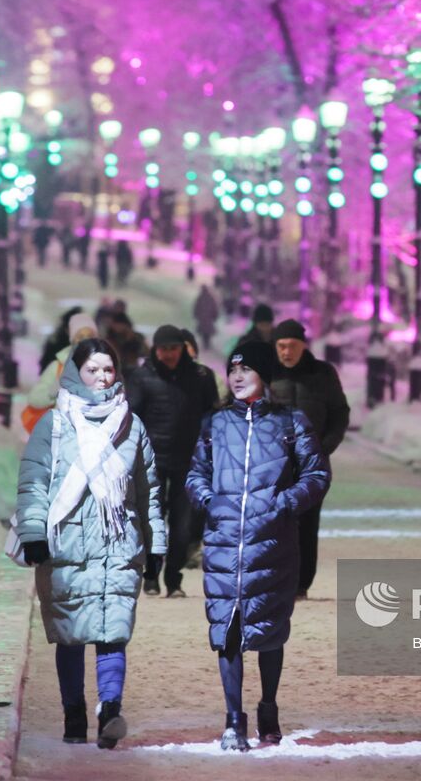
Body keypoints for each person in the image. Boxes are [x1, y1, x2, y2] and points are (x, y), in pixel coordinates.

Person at [14, 338, 165, 749]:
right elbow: (33, 482)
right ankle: (74, 714)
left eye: (108, 369)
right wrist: (32, 535)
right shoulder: (54, 424)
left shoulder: (130, 425)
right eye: (93, 369)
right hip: (67, 546)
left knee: (113, 631)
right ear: (74, 374)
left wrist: (156, 545)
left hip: (118, 541)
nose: (102, 377)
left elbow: (148, 490)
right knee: (71, 634)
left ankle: (110, 710)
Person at [185, 341, 331, 751]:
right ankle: (233, 719)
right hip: (224, 542)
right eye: (232, 370)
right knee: (227, 629)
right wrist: (209, 500)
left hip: (272, 543)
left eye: (246, 369)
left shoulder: (290, 422)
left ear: (263, 376)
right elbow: (195, 472)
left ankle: (268, 707)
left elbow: (317, 474)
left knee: (268, 631)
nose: (236, 377)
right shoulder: (215, 424)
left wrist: (285, 503)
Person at [126, 325, 220, 598]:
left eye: (174, 349)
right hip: (151, 462)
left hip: (189, 462)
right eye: (164, 349)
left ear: (183, 349)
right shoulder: (142, 378)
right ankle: (152, 575)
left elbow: (211, 416)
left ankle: (174, 578)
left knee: (182, 526)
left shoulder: (201, 378)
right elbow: (131, 417)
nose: (169, 354)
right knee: (152, 520)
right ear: (155, 349)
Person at [269, 319, 351, 599]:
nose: (286, 352)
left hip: (311, 465)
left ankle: (301, 583)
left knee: (307, 522)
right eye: (281, 346)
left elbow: (340, 413)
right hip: (272, 466)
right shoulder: (265, 374)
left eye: (292, 346)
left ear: (303, 345)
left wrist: (325, 447)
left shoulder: (323, 374)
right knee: (273, 522)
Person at [23, 312, 97, 434]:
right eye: (80, 336)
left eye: (89, 335)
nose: (84, 341)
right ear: (72, 338)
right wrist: (53, 391)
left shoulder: (105, 366)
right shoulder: (58, 366)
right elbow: (34, 399)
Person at [105, 313, 148, 378]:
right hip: (117, 370)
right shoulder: (111, 339)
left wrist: (131, 339)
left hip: (133, 370)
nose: (114, 326)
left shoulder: (137, 337)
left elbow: (146, 352)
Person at [193, 285, 220, 351]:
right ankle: (206, 344)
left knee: (205, 332)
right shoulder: (209, 298)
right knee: (206, 332)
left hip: (205, 319)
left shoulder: (201, 298)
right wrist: (215, 316)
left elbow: (196, 307)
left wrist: (196, 315)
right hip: (207, 319)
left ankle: (206, 344)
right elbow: (215, 308)